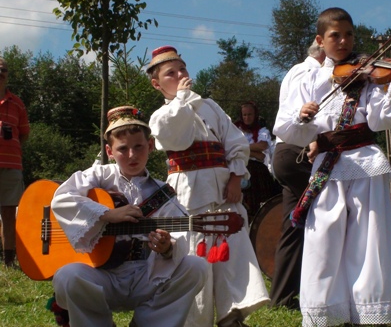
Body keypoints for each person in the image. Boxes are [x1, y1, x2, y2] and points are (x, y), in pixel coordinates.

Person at [274, 7, 391, 326]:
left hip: (365, 161)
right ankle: (325, 313)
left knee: (369, 240)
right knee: (322, 239)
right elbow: (284, 126)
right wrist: (302, 115)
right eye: (334, 35)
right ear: (320, 40)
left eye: (349, 34)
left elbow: (381, 120)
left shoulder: (367, 74)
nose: (343, 41)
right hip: (327, 162)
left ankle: (370, 314)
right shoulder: (309, 76)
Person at [51, 106, 208, 327]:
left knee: (196, 267)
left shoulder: (163, 192)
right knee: (68, 275)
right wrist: (107, 214)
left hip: (146, 275)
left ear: (150, 146)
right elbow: (61, 198)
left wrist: (167, 247)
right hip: (101, 277)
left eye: (139, 147)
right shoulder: (98, 176)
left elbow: (179, 236)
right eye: (123, 149)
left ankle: (149, 323)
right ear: (109, 151)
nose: (132, 155)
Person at [146, 46, 270, 327]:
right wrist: (183, 99)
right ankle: (194, 320)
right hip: (189, 193)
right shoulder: (160, 116)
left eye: (183, 70)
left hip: (225, 190)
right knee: (193, 253)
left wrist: (237, 178)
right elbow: (175, 137)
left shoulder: (211, 107)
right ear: (157, 84)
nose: (180, 76)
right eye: (171, 73)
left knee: (232, 251)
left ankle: (232, 315)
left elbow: (236, 142)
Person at [269, 40, 325, 310]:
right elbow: (297, 117)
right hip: (297, 153)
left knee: (293, 228)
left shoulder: (296, 70)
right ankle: (326, 292)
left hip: (285, 154)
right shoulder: (311, 73)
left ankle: (280, 299)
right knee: (329, 213)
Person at [0, 57, 30, 267]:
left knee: (10, 214)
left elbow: (24, 134)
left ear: (8, 75)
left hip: (11, 167)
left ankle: (9, 261)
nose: (0, 72)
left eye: (3, 69)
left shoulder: (18, 103)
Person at [234, 100, 276, 221]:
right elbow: (230, 148)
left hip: (257, 172)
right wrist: (253, 152)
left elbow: (262, 147)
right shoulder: (236, 130)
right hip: (239, 168)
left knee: (259, 205)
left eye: (250, 114)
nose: (247, 117)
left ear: (255, 115)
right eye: (244, 115)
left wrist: (240, 148)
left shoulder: (262, 131)